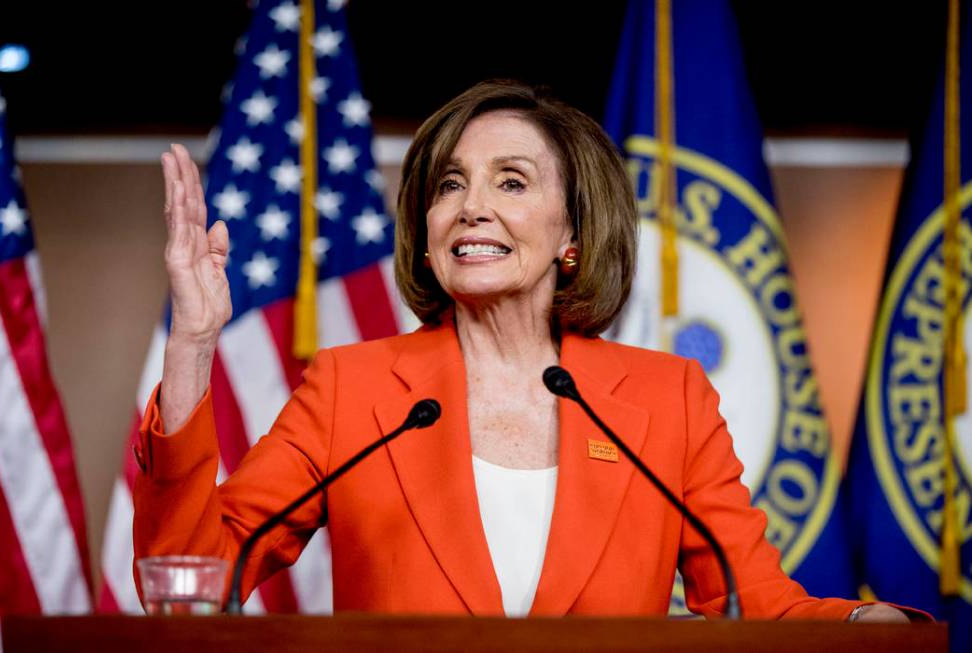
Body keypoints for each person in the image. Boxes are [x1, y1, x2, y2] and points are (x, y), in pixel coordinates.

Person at [134, 80, 910, 621]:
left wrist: (860, 624)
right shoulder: (353, 388)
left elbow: (756, 599)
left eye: (511, 182)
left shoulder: (667, 398)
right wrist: (194, 345)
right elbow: (196, 572)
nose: (471, 207)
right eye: (447, 185)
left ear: (572, 233)